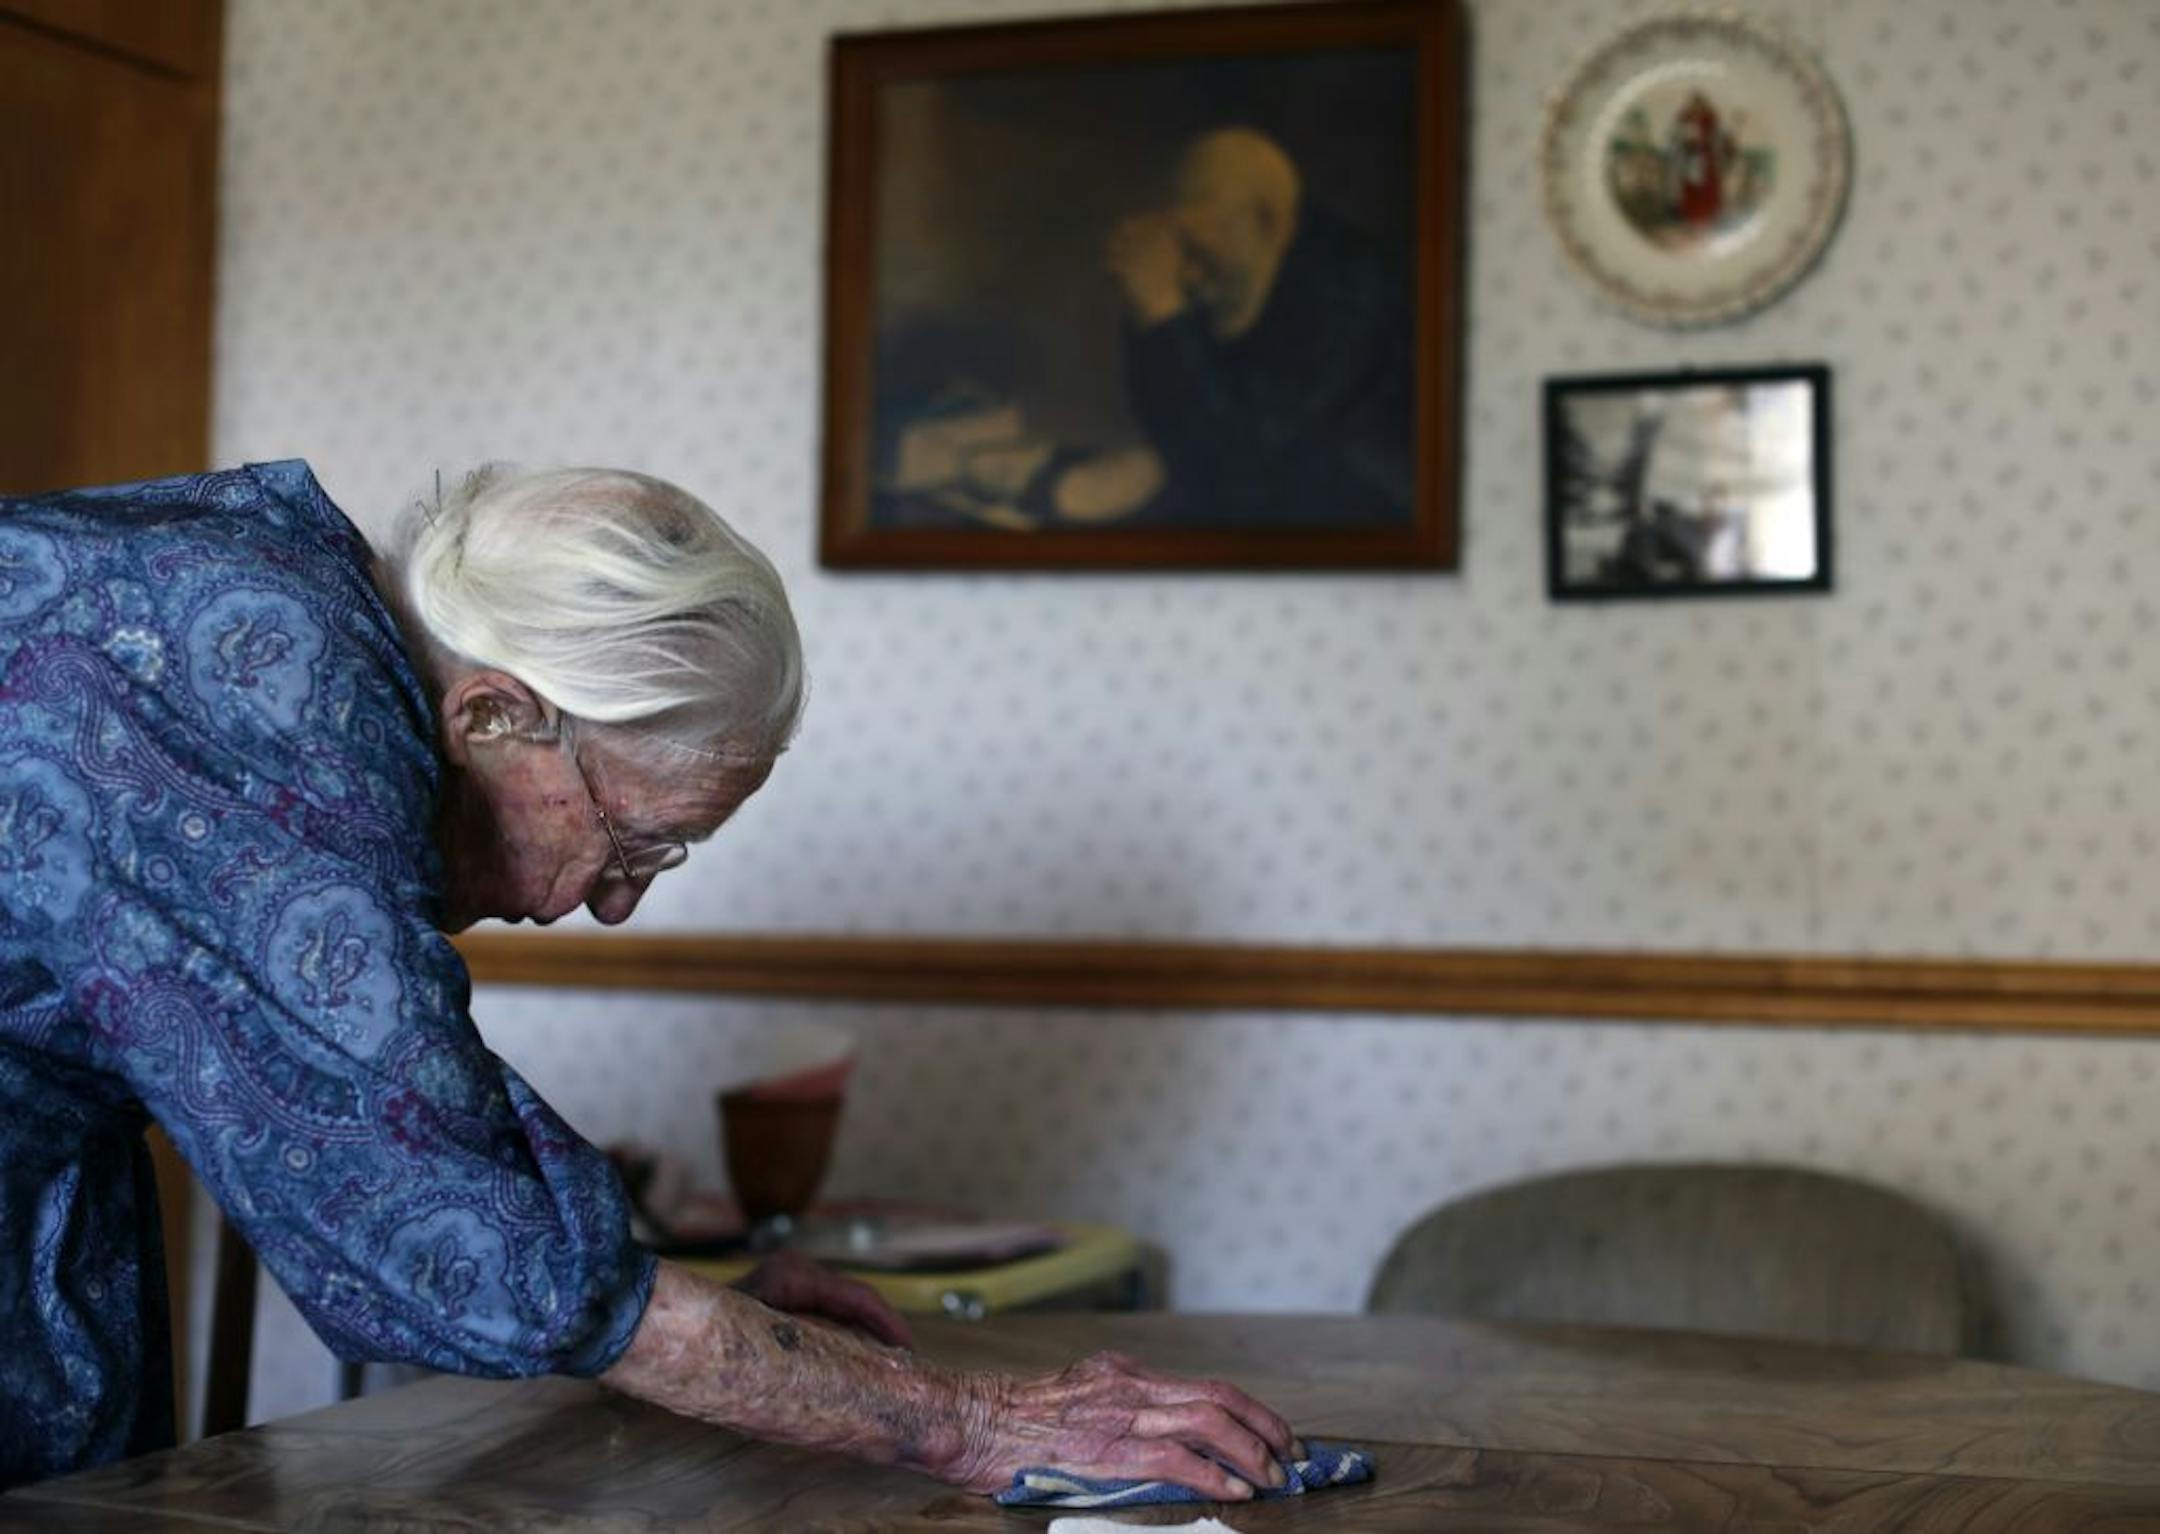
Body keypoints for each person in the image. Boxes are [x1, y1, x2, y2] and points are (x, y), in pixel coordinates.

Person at [0, 460, 1296, 1493]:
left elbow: (415, 1108)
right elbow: (454, 1229)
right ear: (495, 716)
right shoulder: (258, 696)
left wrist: (706, 1312)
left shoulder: (305, 630)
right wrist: (969, 1420)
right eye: (632, 840)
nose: (615, 903)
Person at [1101, 126, 1413, 527]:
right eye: (1180, 242)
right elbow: (1170, 431)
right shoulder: (1228, 274)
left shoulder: (1348, 290)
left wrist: (1163, 311)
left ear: (1267, 222)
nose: (1187, 269)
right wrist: (1143, 311)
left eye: (1199, 246)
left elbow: (1241, 464)